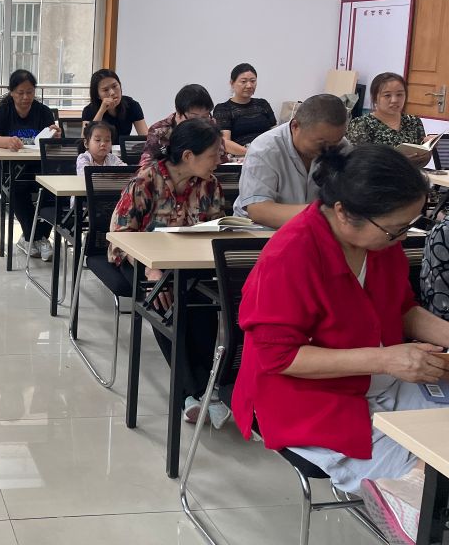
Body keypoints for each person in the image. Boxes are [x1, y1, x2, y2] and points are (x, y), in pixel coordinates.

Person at [233, 145, 449, 545]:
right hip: (307, 399)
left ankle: (413, 489)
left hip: (376, 378)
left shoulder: (379, 244)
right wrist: (385, 359)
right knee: (424, 474)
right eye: (395, 229)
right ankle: (407, 496)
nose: (402, 237)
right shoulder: (291, 255)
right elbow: (278, 357)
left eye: (408, 226)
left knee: (438, 441)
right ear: (343, 213)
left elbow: (401, 307)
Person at [110, 118, 230, 427]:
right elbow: (121, 235)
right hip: (139, 262)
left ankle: (205, 389)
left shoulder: (209, 184)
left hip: (188, 264)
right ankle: (192, 393)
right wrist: (152, 270)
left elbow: (215, 227)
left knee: (203, 305)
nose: (219, 161)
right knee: (166, 303)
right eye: (213, 155)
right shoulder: (145, 181)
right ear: (188, 156)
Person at [234, 93, 350, 229]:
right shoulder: (265, 149)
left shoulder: (341, 146)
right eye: (321, 143)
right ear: (295, 126)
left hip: (314, 228)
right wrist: (322, 214)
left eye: (334, 143)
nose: (328, 150)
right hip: (261, 231)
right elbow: (259, 210)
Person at [0, 69, 60, 261]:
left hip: (36, 167)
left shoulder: (43, 111)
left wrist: (55, 136)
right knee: (16, 187)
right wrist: (7, 141)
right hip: (5, 167)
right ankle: (36, 237)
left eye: (30, 92)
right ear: (11, 92)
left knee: (53, 189)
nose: (25, 97)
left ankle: (34, 237)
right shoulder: (3, 111)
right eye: (20, 93)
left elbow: (50, 143)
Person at [139, 84, 222, 167]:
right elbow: (146, 164)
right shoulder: (159, 130)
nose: (200, 123)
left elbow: (221, 155)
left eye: (205, 117)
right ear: (179, 113)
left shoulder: (210, 125)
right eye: (194, 118)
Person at [347, 73, 427, 159]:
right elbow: (358, 161)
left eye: (399, 94)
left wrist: (427, 146)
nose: (394, 100)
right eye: (387, 95)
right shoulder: (361, 124)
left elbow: (423, 158)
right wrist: (400, 161)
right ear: (375, 98)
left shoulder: (414, 121)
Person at [212, 63, 276, 156]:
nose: (249, 85)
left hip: (268, 153)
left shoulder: (262, 104)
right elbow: (225, 142)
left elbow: (275, 133)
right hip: (241, 156)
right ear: (232, 83)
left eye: (253, 81)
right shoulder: (223, 109)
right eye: (243, 81)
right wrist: (253, 153)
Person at [81, 69, 149, 139]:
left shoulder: (132, 105)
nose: (112, 93)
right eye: (105, 90)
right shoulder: (88, 110)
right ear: (98, 95)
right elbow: (85, 141)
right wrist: (101, 111)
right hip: (101, 146)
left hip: (122, 146)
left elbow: (146, 138)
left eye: (114, 86)